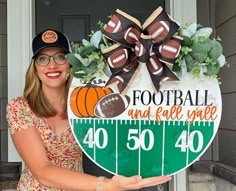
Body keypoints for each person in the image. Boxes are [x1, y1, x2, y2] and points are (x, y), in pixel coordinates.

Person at [6, 28, 172, 191]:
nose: (52, 65)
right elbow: (42, 171)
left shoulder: (85, 104)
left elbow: (122, 134)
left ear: (70, 63)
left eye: (60, 57)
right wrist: (105, 185)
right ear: (34, 66)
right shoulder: (19, 108)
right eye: (43, 59)